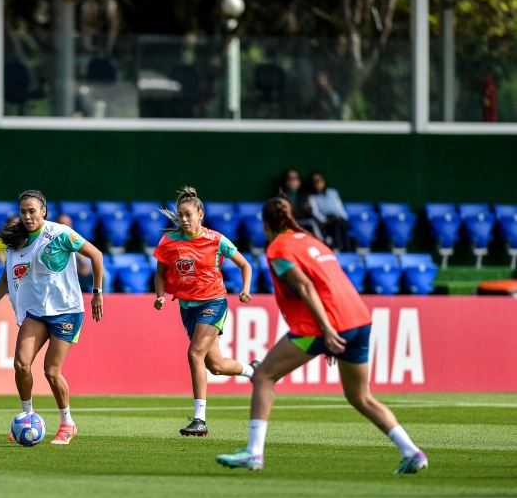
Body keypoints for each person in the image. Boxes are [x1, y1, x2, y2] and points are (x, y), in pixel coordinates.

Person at [215, 197, 428, 474]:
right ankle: (411, 452)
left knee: (264, 375)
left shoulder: (278, 248)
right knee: (360, 395)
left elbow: (304, 287)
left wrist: (327, 329)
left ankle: (254, 453)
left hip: (325, 324)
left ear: (266, 225)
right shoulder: (313, 241)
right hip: (359, 319)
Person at [0, 190, 104, 446]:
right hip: (36, 311)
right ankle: (27, 415)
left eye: (32, 210)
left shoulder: (60, 234)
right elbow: (7, 277)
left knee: (51, 372)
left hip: (66, 310)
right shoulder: (16, 242)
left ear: (43, 211)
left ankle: (67, 424)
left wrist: (97, 293)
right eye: (23, 211)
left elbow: (96, 255)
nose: (27, 216)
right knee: (21, 365)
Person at [153, 187, 259, 437]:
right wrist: (160, 295)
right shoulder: (169, 242)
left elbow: (245, 265)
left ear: (201, 214)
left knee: (194, 353)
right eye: (181, 215)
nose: (184, 219)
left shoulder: (216, 239)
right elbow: (160, 273)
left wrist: (245, 289)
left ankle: (200, 419)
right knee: (216, 365)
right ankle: (253, 370)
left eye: (189, 214)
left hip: (214, 301)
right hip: (187, 306)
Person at [57, 213, 112, 293]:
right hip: (63, 274)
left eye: (68, 224)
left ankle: (103, 297)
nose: (65, 227)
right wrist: (76, 270)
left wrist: (85, 267)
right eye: (62, 224)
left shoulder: (73, 239)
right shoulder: (52, 241)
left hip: (78, 273)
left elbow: (86, 258)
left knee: (104, 273)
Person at [307, 171, 351, 251]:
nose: (317, 184)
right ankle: (338, 247)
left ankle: (343, 249)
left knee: (339, 222)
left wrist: (343, 218)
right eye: (314, 182)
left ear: (324, 181)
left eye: (319, 180)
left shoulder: (333, 192)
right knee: (337, 223)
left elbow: (340, 208)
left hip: (339, 218)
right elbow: (315, 213)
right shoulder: (312, 197)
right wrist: (326, 220)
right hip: (327, 221)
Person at [276, 169, 323, 241]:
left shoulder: (305, 195)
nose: (292, 181)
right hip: (287, 222)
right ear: (286, 181)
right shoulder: (281, 196)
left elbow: (308, 211)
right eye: (289, 179)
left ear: (299, 182)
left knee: (313, 221)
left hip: (301, 220)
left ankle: (322, 243)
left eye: (294, 179)